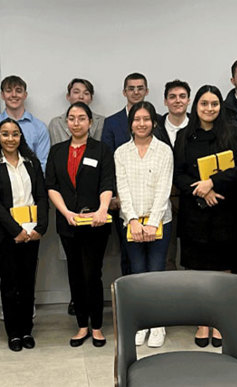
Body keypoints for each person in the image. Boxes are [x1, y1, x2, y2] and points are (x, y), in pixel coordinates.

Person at [173, 85, 237, 348]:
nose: (209, 109)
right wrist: (201, 191)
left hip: (226, 212)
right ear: (196, 106)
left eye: (214, 104)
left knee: (223, 272)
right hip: (195, 212)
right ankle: (202, 322)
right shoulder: (184, 135)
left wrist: (213, 183)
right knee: (197, 271)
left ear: (221, 106)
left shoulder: (234, 133)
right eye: (204, 104)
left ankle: (219, 322)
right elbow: (179, 174)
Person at [46, 102, 114, 348]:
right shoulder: (57, 151)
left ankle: (97, 327)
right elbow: (51, 185)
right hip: (68, 223)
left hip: (95, 222)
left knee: (92, 274)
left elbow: (107, 183)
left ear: (90, 122)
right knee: (74, 274)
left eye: (81, 118)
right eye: (72, 118)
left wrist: (102, 210)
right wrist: (65, 213)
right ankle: (82, 326)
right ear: (66, 123)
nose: (76, 122)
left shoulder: (102, 150)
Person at [0, 118, 48, 352]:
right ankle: (13, 333)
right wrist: (16, 231)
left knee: (28, 283)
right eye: (5, 134)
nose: (10, 139)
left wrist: (39, 228)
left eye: (15, 134)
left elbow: (41, 196)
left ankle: (27, 330)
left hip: (31, 233)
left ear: (21, 137)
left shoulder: (32, 163)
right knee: (10, 284)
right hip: (6, 235)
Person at [115, 101, 173, 348]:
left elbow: (164, 189)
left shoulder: (163, 151)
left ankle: (157, 325)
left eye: (146, 119)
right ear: (131, 123)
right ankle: (141, 323)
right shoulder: (121, 153)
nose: (141, 124)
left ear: (154, 122)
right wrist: (134, 220)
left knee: (156, 274)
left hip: (159, 222)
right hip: (132, 223)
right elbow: (122, 189)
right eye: (137, 119)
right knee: (137, 274)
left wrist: (151, 222)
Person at [101, 72, 154, 277]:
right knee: (129, 254)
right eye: (131, 88)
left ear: (146, 91)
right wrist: (114, 195)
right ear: (124, 92)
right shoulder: (112, 122)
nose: (136, 92)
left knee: (153, 255)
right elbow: (108, 163)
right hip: (122, 200)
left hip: (151, 200)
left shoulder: (155, 120)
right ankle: (130, 300)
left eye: (140, 88)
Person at [154, 80, 190, 270]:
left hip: (193, 197)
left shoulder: (198, 126)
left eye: (182, 96)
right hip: (163, 198)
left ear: (189, 100)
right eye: (172, 97)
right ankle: (169, 297)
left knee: (192, 251)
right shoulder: (154, 127)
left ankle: (193, 296)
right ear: (165, 101)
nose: (178, 101)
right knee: (166, 253)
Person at [0, 75, 50, 171]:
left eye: (18, 91)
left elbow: (43, 163)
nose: (14, 95)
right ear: (2, 95)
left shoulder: (39, 127)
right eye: (9, 91)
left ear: (25, 95)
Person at [48, 78, 105, 144]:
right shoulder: (56, 123)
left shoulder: (102, 122)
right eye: (76, 92)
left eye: (86, 93)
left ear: (91, 98)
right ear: (68, 96)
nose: (81, 97)